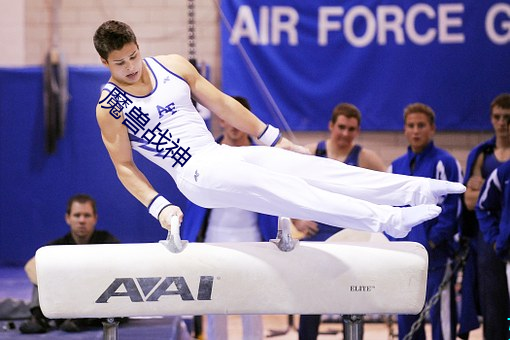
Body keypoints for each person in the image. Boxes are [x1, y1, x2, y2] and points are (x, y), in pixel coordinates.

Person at [93, 20, 464, 248]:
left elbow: (223, 103)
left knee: (312, 169)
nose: (130, 68)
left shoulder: (172, 65)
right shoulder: (110, 107)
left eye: (133, 56)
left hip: (220, 155)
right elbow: (124, 167)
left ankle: (413, 189)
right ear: (105, 63)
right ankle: (387, 220)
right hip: (194, 174)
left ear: (139, 46)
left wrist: (273, 138)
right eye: (119, 63)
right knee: (290, 191)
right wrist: (160, 207)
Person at [181, 96, 278, 340]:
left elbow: (275, 199)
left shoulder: (262, 159)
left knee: (253, 306)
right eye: (229, 119)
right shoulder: (205, 154)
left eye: (240, 120)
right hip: (214, 238)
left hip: (254, 239)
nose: (235, 126)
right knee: (215, 305)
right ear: (221, 120)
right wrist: (187, 238)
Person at [295, 102, 386, 340]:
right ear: (331, 126)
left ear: (357, 131)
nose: (345, 134)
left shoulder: (365, 158)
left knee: (353, 300)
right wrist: (297, 219)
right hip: (317, 235)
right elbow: (285, 189)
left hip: (351, 239)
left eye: (351, 129)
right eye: (341, 127)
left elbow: (389, 192)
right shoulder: (311, 152)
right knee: (310, 302)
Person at [387, 103, 462, 340]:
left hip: (436, 257)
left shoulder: (445, 163)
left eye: (421, 125)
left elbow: (452, 209)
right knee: (407, 321)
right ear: (405, 130)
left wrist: (432, 241)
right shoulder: (395, 167)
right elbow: (388, 209)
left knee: (442, 320)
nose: (416, 131)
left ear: (432, 129)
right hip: (405, 259)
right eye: (411, 126)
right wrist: (395, 243)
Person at [19, 194, 120, 334]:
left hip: (96, 301)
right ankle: (38, 318)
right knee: (42, 270)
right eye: (77, 215)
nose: (82, 220)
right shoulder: (57, 246)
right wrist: (60, 283)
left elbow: (118, 270)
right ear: (68, 218)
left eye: (87, 215)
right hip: (65, 298)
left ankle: (80, 319)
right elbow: (30, 266)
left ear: (95, 218)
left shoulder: (108, 242)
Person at [460, 93, 510, 340]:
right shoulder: (482, 154)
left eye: (507, 118)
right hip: (489, 238)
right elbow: (469, 202)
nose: (502, 123)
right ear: (491, 119)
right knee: (493, 304)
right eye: (497, 117)